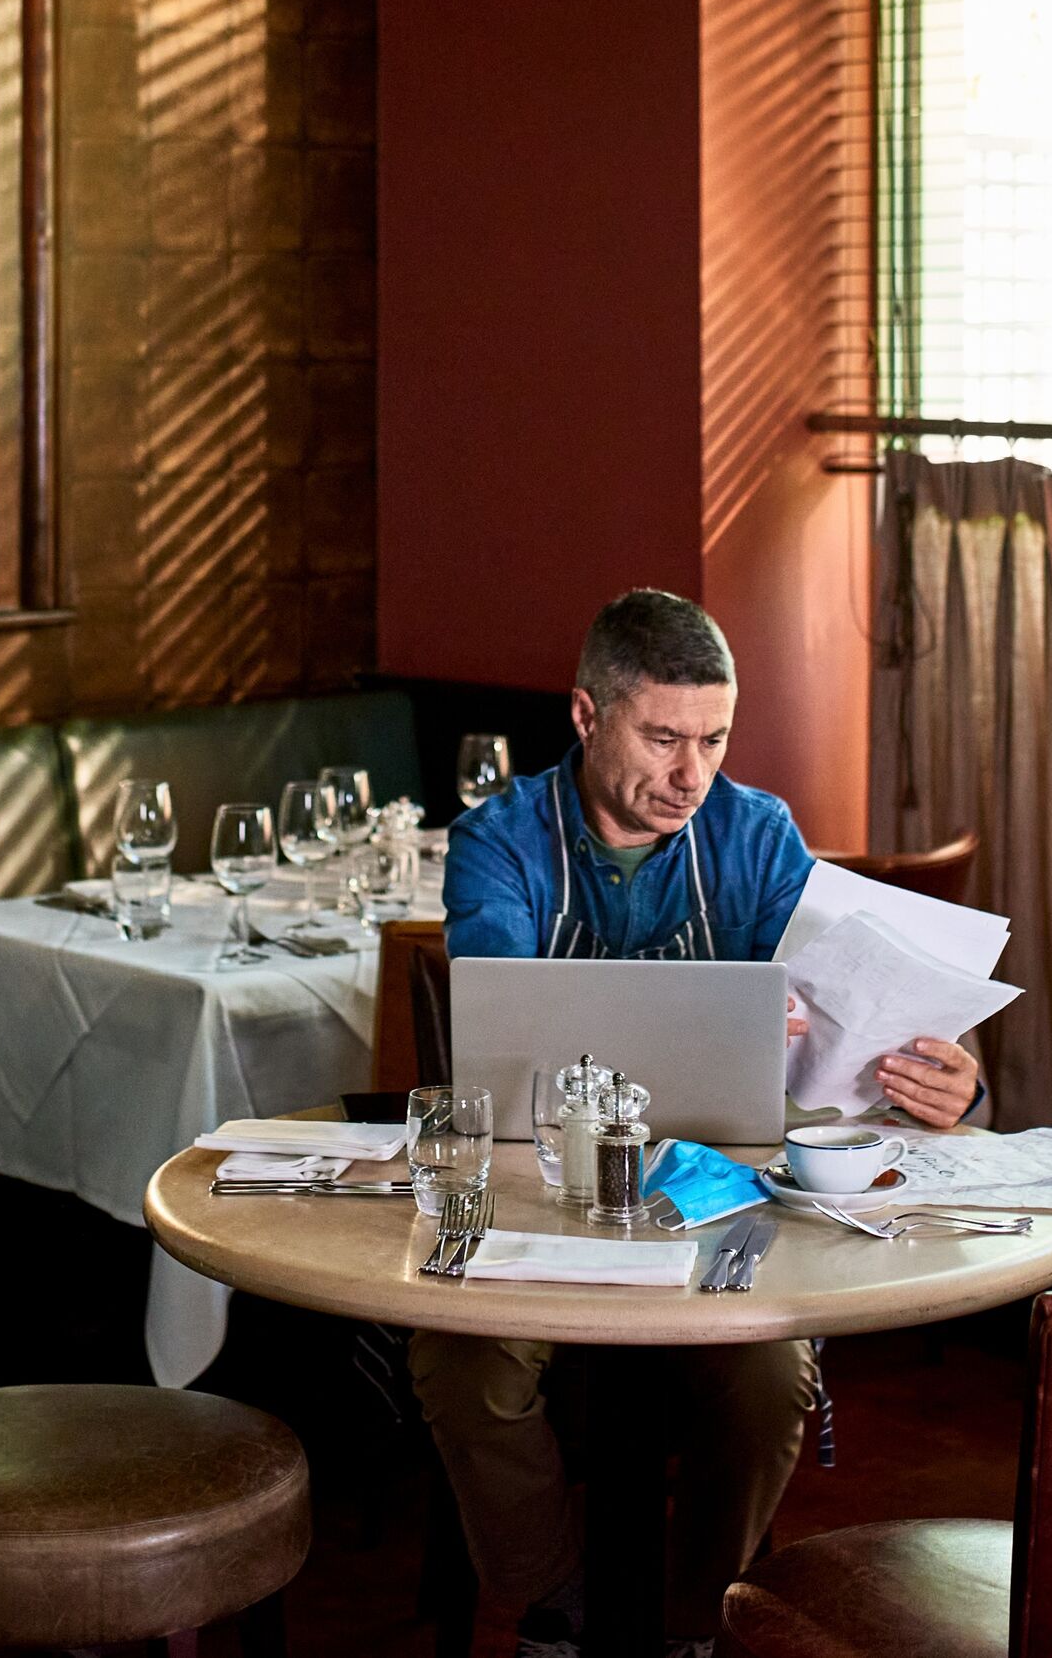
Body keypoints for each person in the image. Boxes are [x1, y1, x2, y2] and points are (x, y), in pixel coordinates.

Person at [420, 589, 986, 1658]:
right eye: (665, 738)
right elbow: (500, 1020)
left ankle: (689, 1626)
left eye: (715, 739)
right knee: (462, 1366)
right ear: (587, 718)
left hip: (719, 1198)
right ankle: (560, 1605)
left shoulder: (757, 834)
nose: (693, 775)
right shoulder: (499, 842)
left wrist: (957, 1080)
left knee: (775, 1379)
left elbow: (852, 1017)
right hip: (541, 1195)